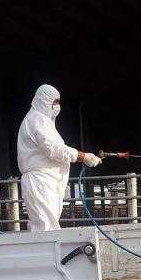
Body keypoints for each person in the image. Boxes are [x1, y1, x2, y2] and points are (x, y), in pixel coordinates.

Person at [17, 84, 101, 231]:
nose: (57, 106)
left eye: (58, 102)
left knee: (46, 227)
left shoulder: (40, 120)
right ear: (44, 101)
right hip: (41, 182)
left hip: (46, 183)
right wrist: (83, 156)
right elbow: (54, 149)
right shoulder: (37, 120)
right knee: (46, 228)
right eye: (54, 102)